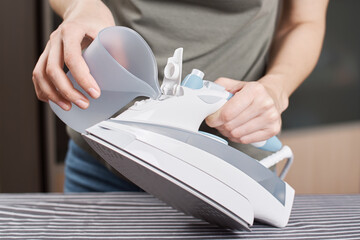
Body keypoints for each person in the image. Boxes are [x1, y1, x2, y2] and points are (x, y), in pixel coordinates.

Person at [32, 0, 329, 192]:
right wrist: (81, 7)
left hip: (228, 176)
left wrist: (276, 88)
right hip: (105, 158)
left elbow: (303, 21)